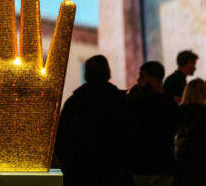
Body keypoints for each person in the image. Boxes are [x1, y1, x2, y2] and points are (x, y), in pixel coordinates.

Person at [54, 55, 135, 186]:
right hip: (115, 172)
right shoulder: (121, 100)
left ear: (87, 73)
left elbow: (62, 138)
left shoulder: (74, 102)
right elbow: (131, 135)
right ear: (107, 72)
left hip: (80, 172)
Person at [129, 61, 178, 186]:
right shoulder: (170, 103)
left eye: (142, 76)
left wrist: (137, 90)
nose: (138, 79)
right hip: (164, 166)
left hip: (143, 166)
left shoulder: (140, 102)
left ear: (154, 79)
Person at [174, 78, 206, 186]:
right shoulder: (205, 113)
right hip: (201, 166)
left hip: (180, 165)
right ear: (202, 94)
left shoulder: (178, 112)